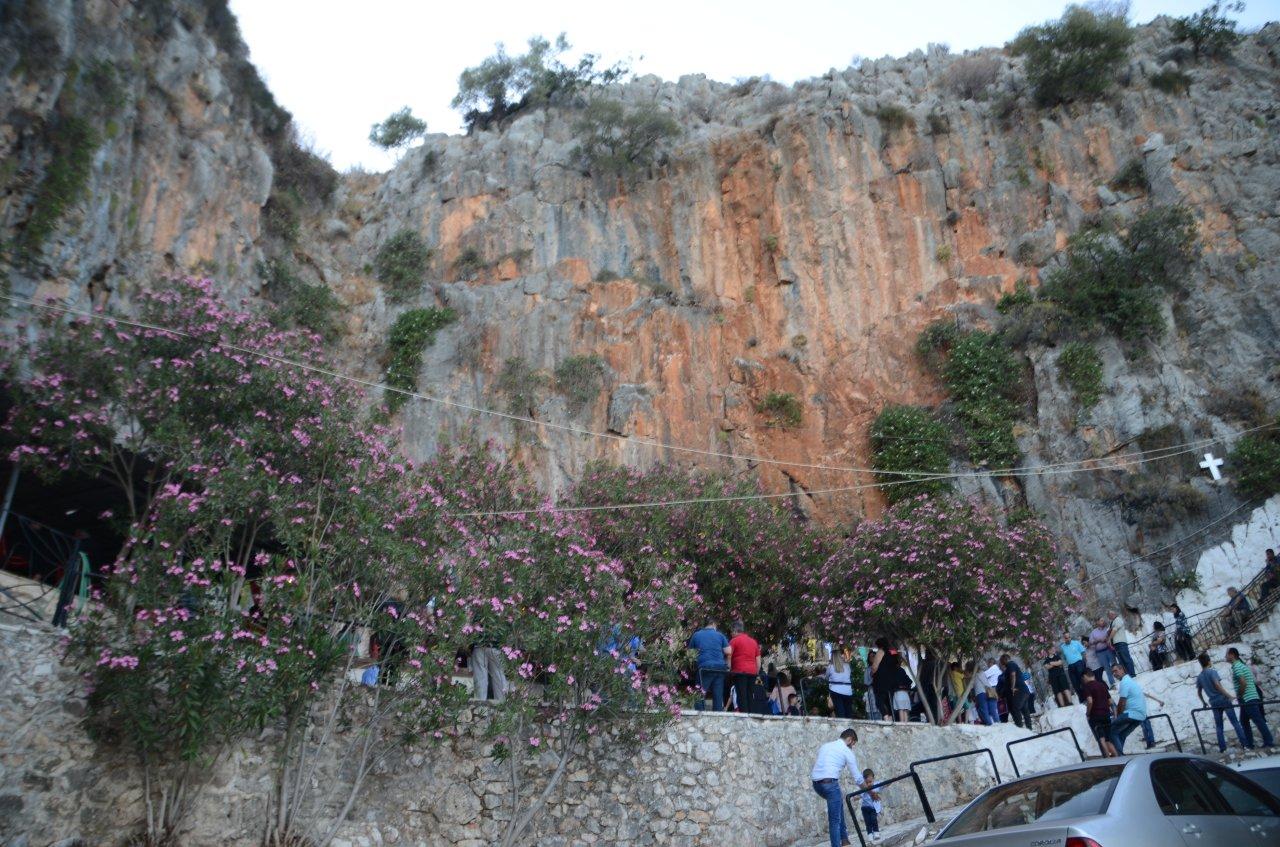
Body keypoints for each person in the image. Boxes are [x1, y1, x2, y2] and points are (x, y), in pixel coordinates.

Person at [810, 728, 861, 847]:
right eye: (853, 744)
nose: (852, 747)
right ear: (849, 740)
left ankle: (844, 840)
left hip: (816, 785)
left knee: (838, 805)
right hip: (830, 785)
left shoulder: (826, 746)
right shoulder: (847, 751)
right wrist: (869, 791)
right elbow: (857, 777)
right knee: (834, 820)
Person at [1196, 652, 1247, 752]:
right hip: (1223, 699)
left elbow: (1199, 692)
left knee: (1219, 726)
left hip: (1213, 702)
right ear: (1208, 661)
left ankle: (1222, 748)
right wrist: (1229, 696)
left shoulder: (1200, 677)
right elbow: (1217, 685)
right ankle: (1245, 745)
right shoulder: (1212, 672)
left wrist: (1203, 702)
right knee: (1235, 723)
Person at [1228, 647, 1275, 748]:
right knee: (1244, 721)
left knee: (1258, 720)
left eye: (1227, 655)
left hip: (1247, 698)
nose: (1225, 657)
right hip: (1251, 696)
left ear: (1232, 655)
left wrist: (1239, 695)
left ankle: (1269, 742)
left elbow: (1243, 683)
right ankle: (1249, 744)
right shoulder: (1242, 665)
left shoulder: (1237, 667)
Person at [688, 620, 730, 711]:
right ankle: (718, 716)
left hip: (704, 667)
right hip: (720, 667)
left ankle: (700, 715)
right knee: (718, 695)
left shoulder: (696, 635)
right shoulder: (720, 635)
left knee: (700, 693)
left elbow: (690, 653)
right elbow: (728, 651)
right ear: (714, 624)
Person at [1109, 663, 1148, 754]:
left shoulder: (1125, 682)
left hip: (1131, 713)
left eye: (1115, 671)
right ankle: (1120, 754)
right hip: (1140, 716)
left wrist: (1118, 716)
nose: (1114, 674)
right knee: (1122, 734)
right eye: (1112, 672)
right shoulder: (1130, 681)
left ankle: (1119, 756)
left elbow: (1122, 702)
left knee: (1112, 731)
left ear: (1122, 670)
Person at [1081, 668, 1117, 757]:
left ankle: (1107, 758)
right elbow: (1111, 701)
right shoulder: (1102, 685)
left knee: (1101, 739)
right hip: (1106, 715)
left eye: (1083, 678)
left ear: (1085, 676)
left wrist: (1088, 713)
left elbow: (1089, 701)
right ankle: (1117, 757)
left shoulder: (1087, 686)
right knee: (1108, 740)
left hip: (1095, 715)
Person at [728, 620, 761, 714]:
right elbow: (758, 661)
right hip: (752, 672)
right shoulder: (753, 642)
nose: (731, 634)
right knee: (750, 694)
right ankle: (751, 714)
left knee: (741, 695)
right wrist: (756, 672)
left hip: (739, 671)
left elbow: (729, 656)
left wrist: (729, 669)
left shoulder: (734, 641)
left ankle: (744, 716)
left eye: (731, 632)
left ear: (735, 630)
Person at [998, 654, 1033, 728]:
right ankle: (1029, 728)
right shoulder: (1009, 667)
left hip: (1020, 691)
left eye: (1001, 661)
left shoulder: (1011, 664)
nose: (1000, 663)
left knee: (1015, 708)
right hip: (1023, 691)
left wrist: (1012, 687)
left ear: (1005, 659)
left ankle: (1019, 726)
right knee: (1024, 710)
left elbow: (1013, 675)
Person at [1111, 607, 1142, 678]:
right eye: (1109, 614)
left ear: (1115, 614)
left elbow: (1114, 630)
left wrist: (1109, 638)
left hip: (1121, 643)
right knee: (1121, 661)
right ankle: (1126, 675)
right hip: (1117, 644)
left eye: (1112, 614)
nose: (1110, 615)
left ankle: (1132, 674)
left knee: (1126, 659)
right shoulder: (1113, 622)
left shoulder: (1118, 620)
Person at [826, 648, 855, 719]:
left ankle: (843, 729)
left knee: (840, 713)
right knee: (848, 712)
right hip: (848, 691)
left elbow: (826, 678)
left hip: (835, 691)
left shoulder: (830, 667)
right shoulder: (847, 666)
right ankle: (849, 729)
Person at [1087, 617, 1116, 686]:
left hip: (1109, 649)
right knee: (1107, 668)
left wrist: (1106, 638)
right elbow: (1090, 643)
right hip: (1100, 653)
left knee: (1114, 665)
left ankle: (1120, 679)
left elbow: (1111, 637)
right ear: (1097, 622)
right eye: (1101, 621)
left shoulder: (1107, 629)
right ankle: (1113, 684)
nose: (1103, 622)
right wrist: (1098, 640)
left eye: (1103, 620)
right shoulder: (1093, 632)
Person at [1060, 632, 1087, 701]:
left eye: (1069, 637)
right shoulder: (1062, 647)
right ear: (1063, 639)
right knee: (1075, 684)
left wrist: (1084, 663)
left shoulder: (1076, 643)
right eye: (1066, 638)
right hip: (1070, 666)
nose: (1068, 639)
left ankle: (1088, 697)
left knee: (1083, 682)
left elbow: (1083, 652)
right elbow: (1064, 658)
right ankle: (1082, 700)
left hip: (1079, 663)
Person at [975, 658, 1002, 726]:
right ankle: (996, 723)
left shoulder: (993, 668)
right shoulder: (997, 669)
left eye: (987, 663)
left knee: (991, 708)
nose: (987, 665)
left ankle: (994, 723)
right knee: (992, 708)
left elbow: (984, 676)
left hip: (991, 689)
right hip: (991, 689)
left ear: (990, 663)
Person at [860, 768, 883, 843]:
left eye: (871, 781)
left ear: (873, 779)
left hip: (873, 808)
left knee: (873, 820)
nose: (869, 784)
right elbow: (860, 794)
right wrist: (856, 797)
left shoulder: (876, 785)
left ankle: (876, 832)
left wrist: (890, 782)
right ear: (864, 781)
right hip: (865, 808)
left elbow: (884, 785)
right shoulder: (864, 788)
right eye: (867, 782)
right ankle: (869, 834)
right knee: (867, 822)